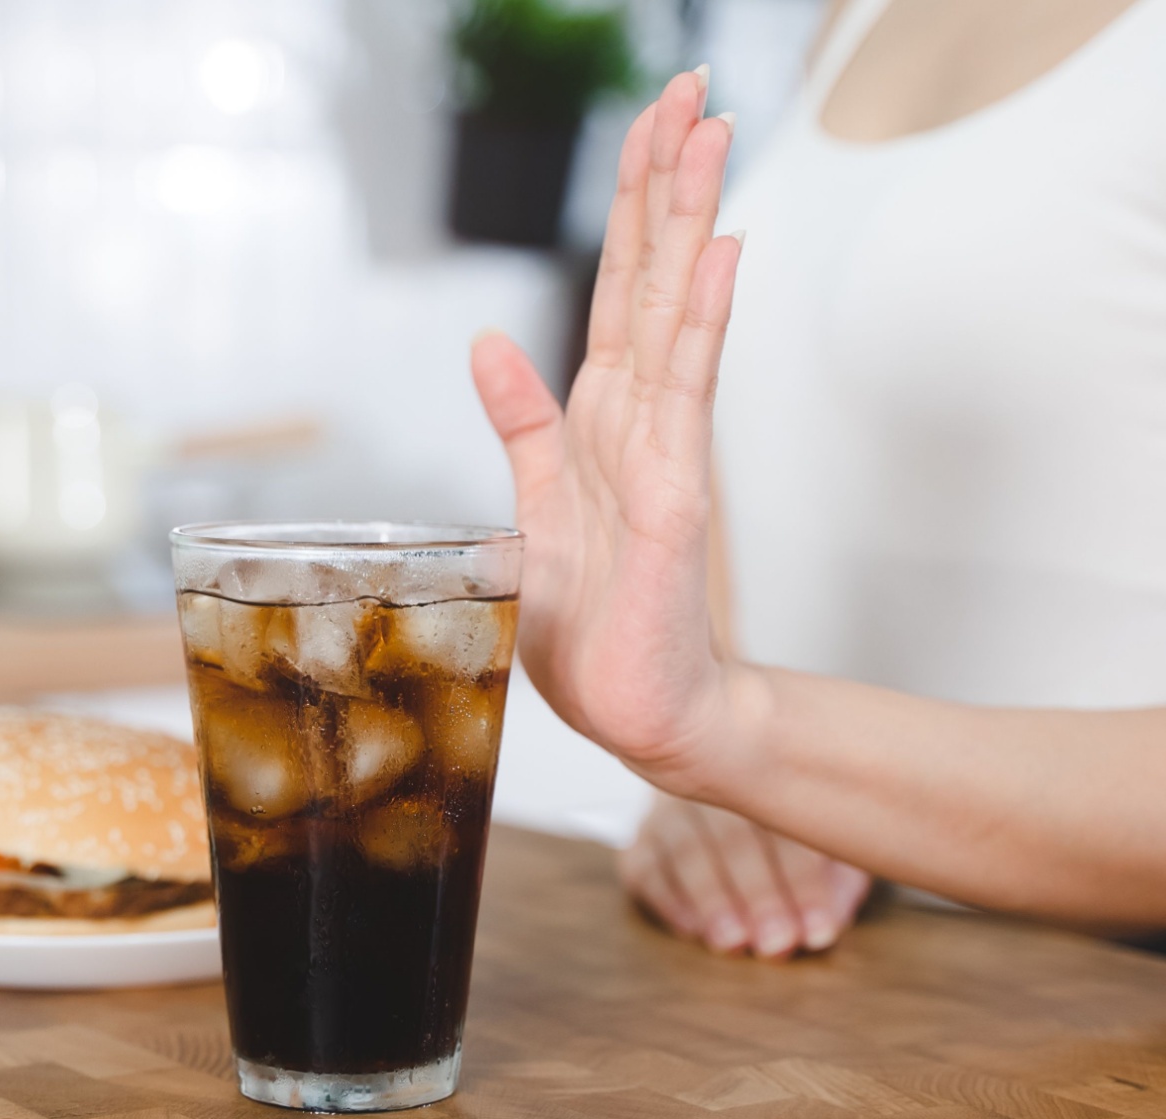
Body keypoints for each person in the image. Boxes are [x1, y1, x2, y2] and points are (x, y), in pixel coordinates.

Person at [470, 0, 1166, 956]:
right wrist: (726, 785)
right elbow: (785, 423)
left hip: (1110, 1013)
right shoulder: (854, 13)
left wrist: (749, 737)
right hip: (843, 969)